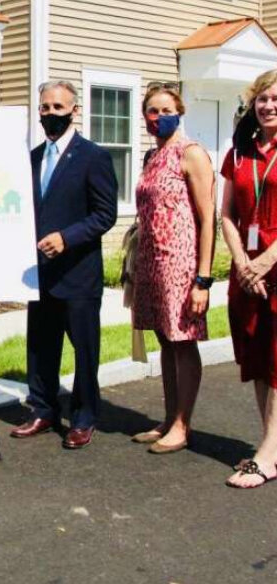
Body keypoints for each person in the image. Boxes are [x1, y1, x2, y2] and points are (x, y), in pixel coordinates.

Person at [10, 80, 118, 449]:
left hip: (78, 273)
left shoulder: (93, 157)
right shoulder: (34, 157)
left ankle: (84, 417)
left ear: (74, 110)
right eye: (45, 107)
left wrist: (67, 238)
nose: (50, 114)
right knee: (40, 347)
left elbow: (105, 215)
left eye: (58, 107)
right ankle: (43, 409)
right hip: (41, 274)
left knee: (84, 350)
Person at [130, 83, 215, 454]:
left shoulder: (191, 153)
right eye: (152, 111)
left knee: (183, 341)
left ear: (179, 111)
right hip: (151, 259)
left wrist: (203, 278)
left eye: (166, 110)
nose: (159, 117)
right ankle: (168, 418)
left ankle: (183, 423)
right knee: (165, 339)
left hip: (181, 263)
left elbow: (207, 217)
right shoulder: (152, 156)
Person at [222, 69, 277, 488]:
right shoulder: (240, 151)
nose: (269, 105)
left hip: (274, 267)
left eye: (275, 99)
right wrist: (243, 261)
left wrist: (265, 262)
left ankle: (268, 455)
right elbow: (227, 214)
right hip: (246, 271)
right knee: (257, 357)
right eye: (262, 98)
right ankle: (271, 445)